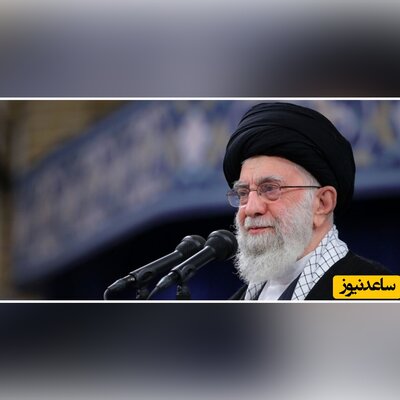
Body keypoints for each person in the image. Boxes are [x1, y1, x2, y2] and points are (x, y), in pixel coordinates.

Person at [223, 102, 392, 300]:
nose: (251, 208)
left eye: (270, 189)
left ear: (322, 203)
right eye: (243, 192)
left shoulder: (376, 291)